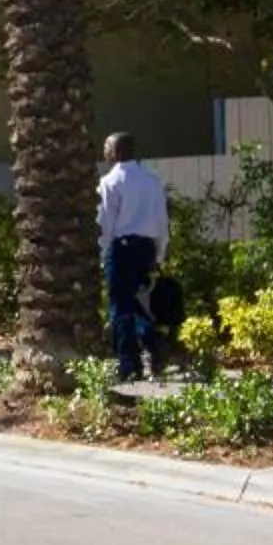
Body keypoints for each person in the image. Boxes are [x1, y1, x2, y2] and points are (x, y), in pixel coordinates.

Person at [98, 132, 170, 382]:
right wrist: (159, 254)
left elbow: (106, 224)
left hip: (122, 249)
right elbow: (162, 221)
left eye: (106, 147)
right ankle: (154, 341)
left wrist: (102, 252)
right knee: (135, 301)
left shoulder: (110, 182)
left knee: (120, 306)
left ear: (117, 152)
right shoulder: (152, 181)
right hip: (147, 248)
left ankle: (129, 365)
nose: (104, 152)